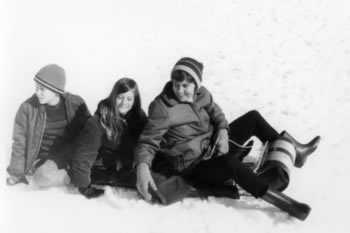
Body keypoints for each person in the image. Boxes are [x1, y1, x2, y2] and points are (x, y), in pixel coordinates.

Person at [134, 57, 320, 220]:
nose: (180, 90)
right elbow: (148, 142)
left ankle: (296, 151)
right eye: (176, 84)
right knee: (230, 163)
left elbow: (218, 115)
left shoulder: (202, 95)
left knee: (253, 118)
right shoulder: (162, 108)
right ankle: (283, 202)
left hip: (214, 145)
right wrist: (143, 167)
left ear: (196, 85)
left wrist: (223, 131)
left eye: (186, 86)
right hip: (194, 167)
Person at [6, 64, 91, 188]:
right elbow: (20, 141)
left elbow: (90, 132)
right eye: (36, 88)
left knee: (42, 178)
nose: (37, 93)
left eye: (42, 89)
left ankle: (76, 175)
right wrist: (17, 173)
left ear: (56, 90)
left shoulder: (75, 103)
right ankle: (68, 176)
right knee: (40, 178)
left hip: (69, 154)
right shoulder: (28, 108)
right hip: (43, 157)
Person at [70, 78, 147, 199]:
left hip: (126, 169)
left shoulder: (139, 118)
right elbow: (84, 155)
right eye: (120, 97)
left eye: (129, 99)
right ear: (113, 96)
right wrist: (84, 186)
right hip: (102, 170)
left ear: (135, 101)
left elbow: (146, 145)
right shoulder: (98, 121)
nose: (123, 102)